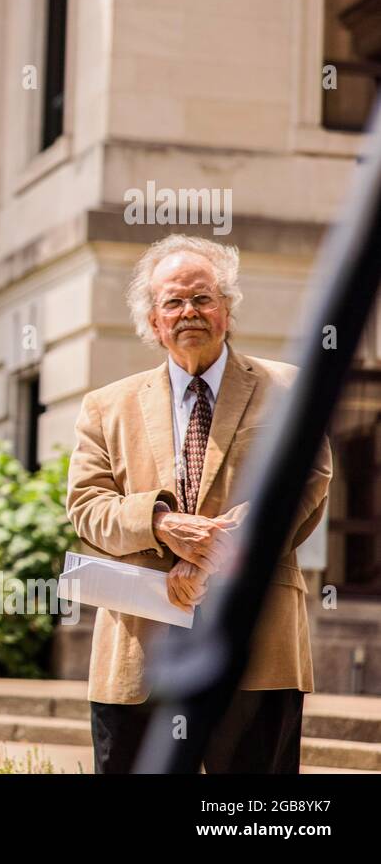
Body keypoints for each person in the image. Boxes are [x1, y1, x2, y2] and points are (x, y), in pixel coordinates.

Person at [66, 234, 332, 773]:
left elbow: (308, 476)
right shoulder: (105, 406)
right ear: (154, 322)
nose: (190, 311)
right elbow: (88, 505)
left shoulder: (288, 388)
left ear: (227, 309)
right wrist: (162, 524)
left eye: (203, 297)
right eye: (174, 302)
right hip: (139, 650)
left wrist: (219, 547)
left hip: (258, 648)